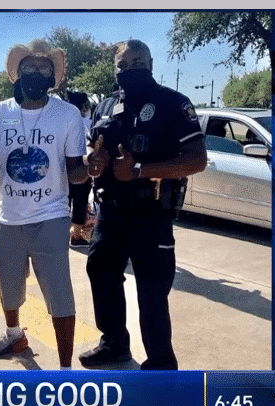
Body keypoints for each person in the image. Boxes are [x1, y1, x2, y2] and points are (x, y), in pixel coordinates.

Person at [0, 39, 106, 370]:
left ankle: (65, 370)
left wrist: (90, 170)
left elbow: (75, 170)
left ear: (54, 76)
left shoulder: (67, 114)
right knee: (5, 283)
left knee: (59, 294)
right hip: (7, 217)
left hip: (50, 216)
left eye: (44, 68)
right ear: (16, 73)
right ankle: (13, 334)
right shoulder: (0, 113)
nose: (36, 73)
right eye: (29, 68)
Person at [78, 40, 207, 370]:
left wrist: (140, 170)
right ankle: (114, 343)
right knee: (102, 274)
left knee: (152, 290)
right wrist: (94, 161)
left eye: (138, 61)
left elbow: (196, 159)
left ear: (151, 63)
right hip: (109, 212)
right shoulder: (104, 106)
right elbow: (93, 152)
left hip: (150, 214)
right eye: (123, 64)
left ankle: (161, 363)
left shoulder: (172, 103)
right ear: (115, 69)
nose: (130, 68)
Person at [65, 91, 94, 247]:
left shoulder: (62, 121)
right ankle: (76, 237)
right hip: (82, 168)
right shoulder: (88, 123)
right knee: (80, 202)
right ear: (83, 106)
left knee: (63, 202)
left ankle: (59, 235)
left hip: (63, 167)